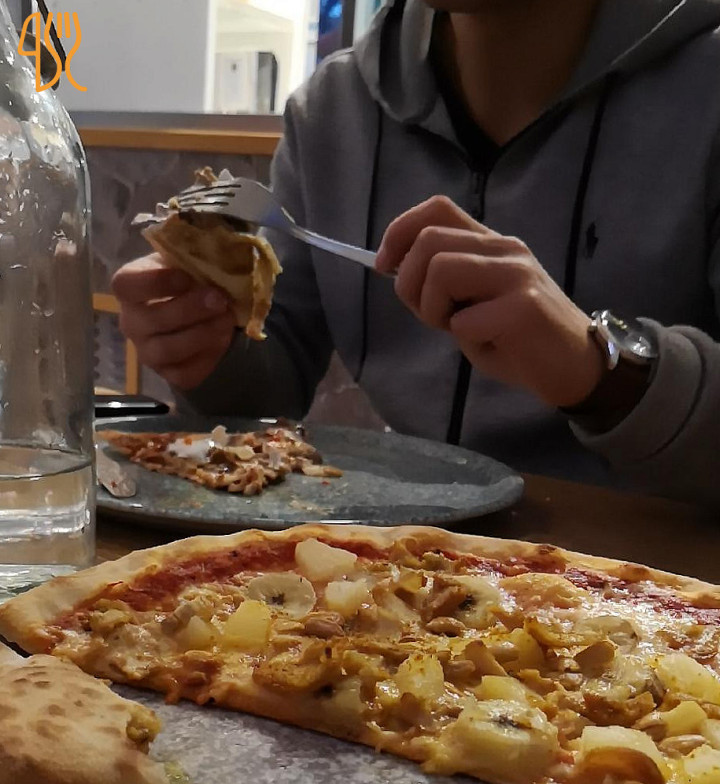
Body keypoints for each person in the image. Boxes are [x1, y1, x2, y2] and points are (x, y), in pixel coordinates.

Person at [114, 0, 720, 501]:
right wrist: (206, 350)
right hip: (396, 563)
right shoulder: (333, 109)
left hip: (648, 587)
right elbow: (271, 383)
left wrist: (601, 371)